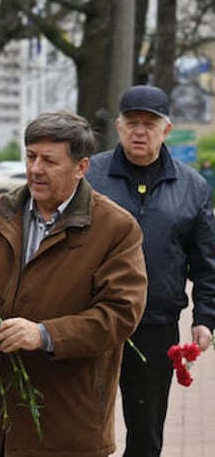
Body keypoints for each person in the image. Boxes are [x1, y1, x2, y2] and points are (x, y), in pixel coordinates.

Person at [0, 110, 147, 456]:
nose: (35, 169)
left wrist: (44, 334)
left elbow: (120, 315)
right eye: (31, 156)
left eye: (49, 161)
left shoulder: (115, 228)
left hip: (63, 426)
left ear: (81, 168)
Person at [86, 85, 215, 457]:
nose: (140, 131)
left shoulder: (192, 186)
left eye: (150, 123)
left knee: (146, 434)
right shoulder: (90, 176)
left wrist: (204, 318)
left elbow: (208, 263)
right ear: (119, 126)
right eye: (132, 122)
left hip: (155, 325)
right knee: (82, 425)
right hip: (91, 317)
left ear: (166, 129)